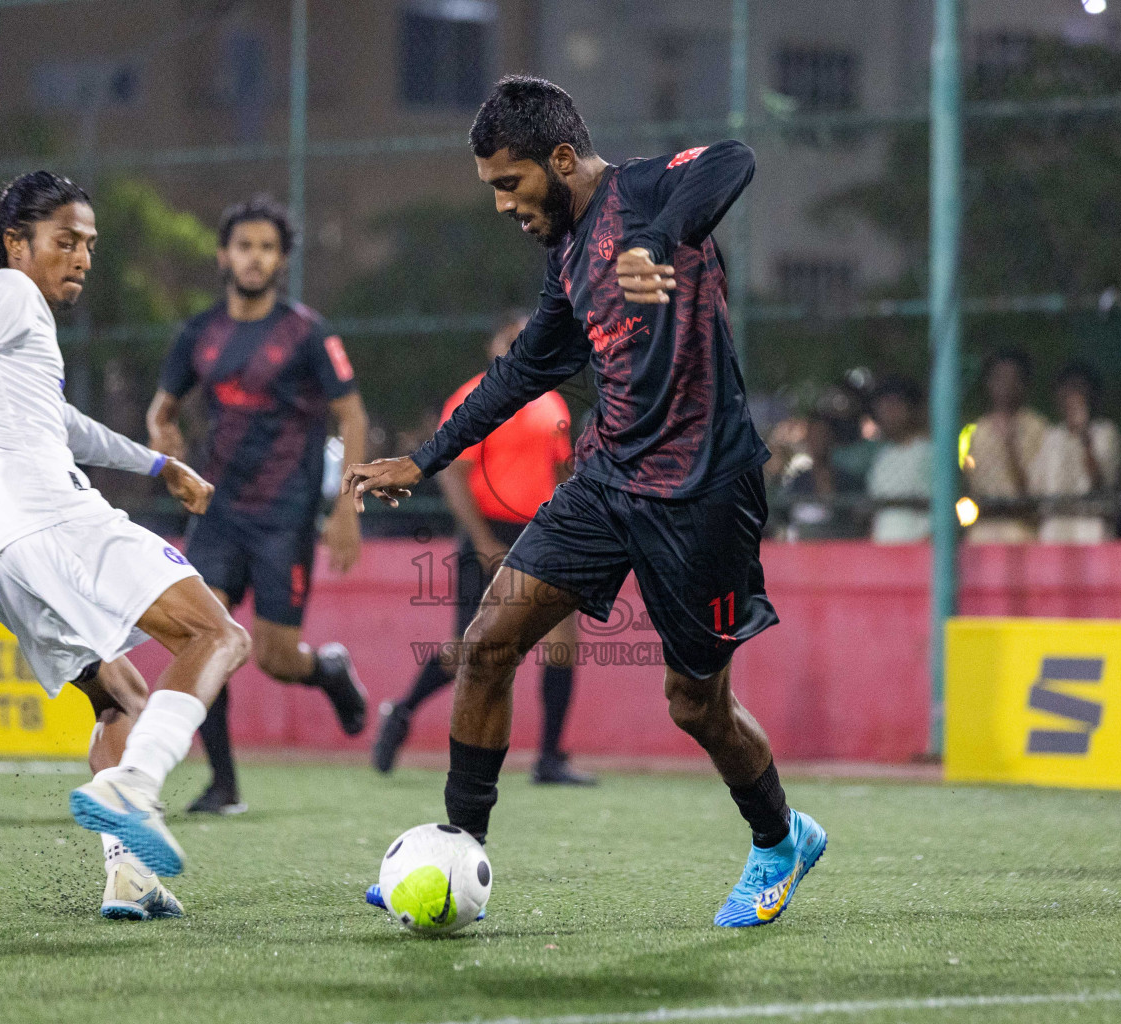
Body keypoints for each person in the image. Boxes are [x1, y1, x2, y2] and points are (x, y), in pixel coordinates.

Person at [344, 76, 825, 929]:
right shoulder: (566, 258)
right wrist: (423, 460)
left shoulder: (644, 191)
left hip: (704, 494)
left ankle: (780, 838)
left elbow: (733, 159)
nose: (502, 205)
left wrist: (660, 243)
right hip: (606, 484)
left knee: (693, 703)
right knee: (488, 640)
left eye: (509, 183)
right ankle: (460, 847)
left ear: (561, 159)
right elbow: (522, 371)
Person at [0, 171, 252, 920]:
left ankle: (127, 878)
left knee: (122, 697)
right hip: (49, 519)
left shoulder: (18, 332)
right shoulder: (7, 292)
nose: (82, 257)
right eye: (66, 241)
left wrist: (158, 464)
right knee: (217, 633)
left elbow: (64, 424)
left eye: (89, 243)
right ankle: (135, 788)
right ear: (16, 244)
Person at [147, 195, 370, 815]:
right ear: (224, 255)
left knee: (274, 656)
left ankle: (326, 671)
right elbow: (160, 410)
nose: (255, 257)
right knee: (203, 635)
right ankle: (223, 784)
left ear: (282, 260)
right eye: (244, 246)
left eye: (267, 248)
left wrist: (347, 506)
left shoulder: (308, 333)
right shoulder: (199, 332)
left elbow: (352, 416)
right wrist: (163, 441)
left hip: (285, 515)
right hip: (216, 513)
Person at [372, 312, 592, 785]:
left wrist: (569, 533)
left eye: (528, 338)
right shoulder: (475, 398)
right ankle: (403, 711)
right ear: (492, 344)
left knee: (561, 641)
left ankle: (550, 759)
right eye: (510, 338)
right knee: (469, 650)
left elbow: (562, 477)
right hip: (487, 531)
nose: (519, 345)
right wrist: (482, 539)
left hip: (541, 532)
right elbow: (452, 475)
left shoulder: (553, 404)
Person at [1027, 362, 1121, 543]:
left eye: (1079, 389)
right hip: (1055, 527)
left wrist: (1084, 437)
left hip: (1091, 526)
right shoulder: (1051, 436)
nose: (1072, 397)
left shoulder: (1105, 432)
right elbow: (1036, 488)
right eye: (1067, 390)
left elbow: (1101, 482)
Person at [964, 348, 1047, 543]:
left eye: (1013, 379)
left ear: (1024, 384)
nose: (1006, 385)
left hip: (1021, 526)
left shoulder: (1037, 427)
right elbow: (970, 485)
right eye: (999, 378)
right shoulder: (976, 431)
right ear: (989, 383)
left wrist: (1010, 447)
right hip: (983, 526)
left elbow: (1035, 490)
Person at [865, 375, 931, 544]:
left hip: (918, 549)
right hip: (884, 550)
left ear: (911, 409)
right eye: (882, 407)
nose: (887, 414)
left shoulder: (929, 453)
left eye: (893, 406)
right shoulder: (882, 458)